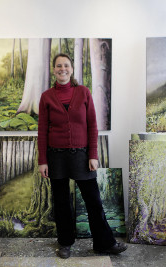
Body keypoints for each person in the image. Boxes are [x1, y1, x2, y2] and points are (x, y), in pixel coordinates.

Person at [37, 53, 128, 259]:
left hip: (81, 155)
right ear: (54, 70)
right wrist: (43, 160)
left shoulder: (84, 92)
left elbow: (93, 126)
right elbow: (42, 131)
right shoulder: (46, 97)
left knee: (93, 200)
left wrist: (93, 155)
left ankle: (104, 243)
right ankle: (65, 243)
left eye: (66, 65)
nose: (62, 69)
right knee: (61, 203)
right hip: (56, 157)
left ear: (71, 69)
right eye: (58, 66)